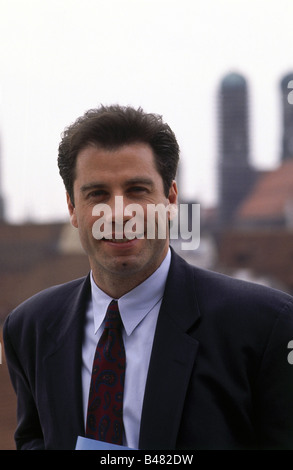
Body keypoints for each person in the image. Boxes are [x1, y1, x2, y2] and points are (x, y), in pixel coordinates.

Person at [3, 105, 293, 450]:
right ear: (72, 209)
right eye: (97, 194)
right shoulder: (30, 328)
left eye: (138, 190)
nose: (119, 212)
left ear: (170, 200)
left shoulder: (265, 326)